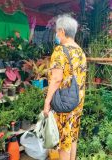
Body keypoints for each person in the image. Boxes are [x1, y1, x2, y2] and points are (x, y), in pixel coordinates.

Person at [43, 15, 87, 160]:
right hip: (77, 102)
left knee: (63, 142)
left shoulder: (60, 51)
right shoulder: (81, 52)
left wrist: (47, 101)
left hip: (63, 102)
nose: (56, 34)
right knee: (72, 137)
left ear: (62, 31)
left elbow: (56, 79)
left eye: (57, 31)